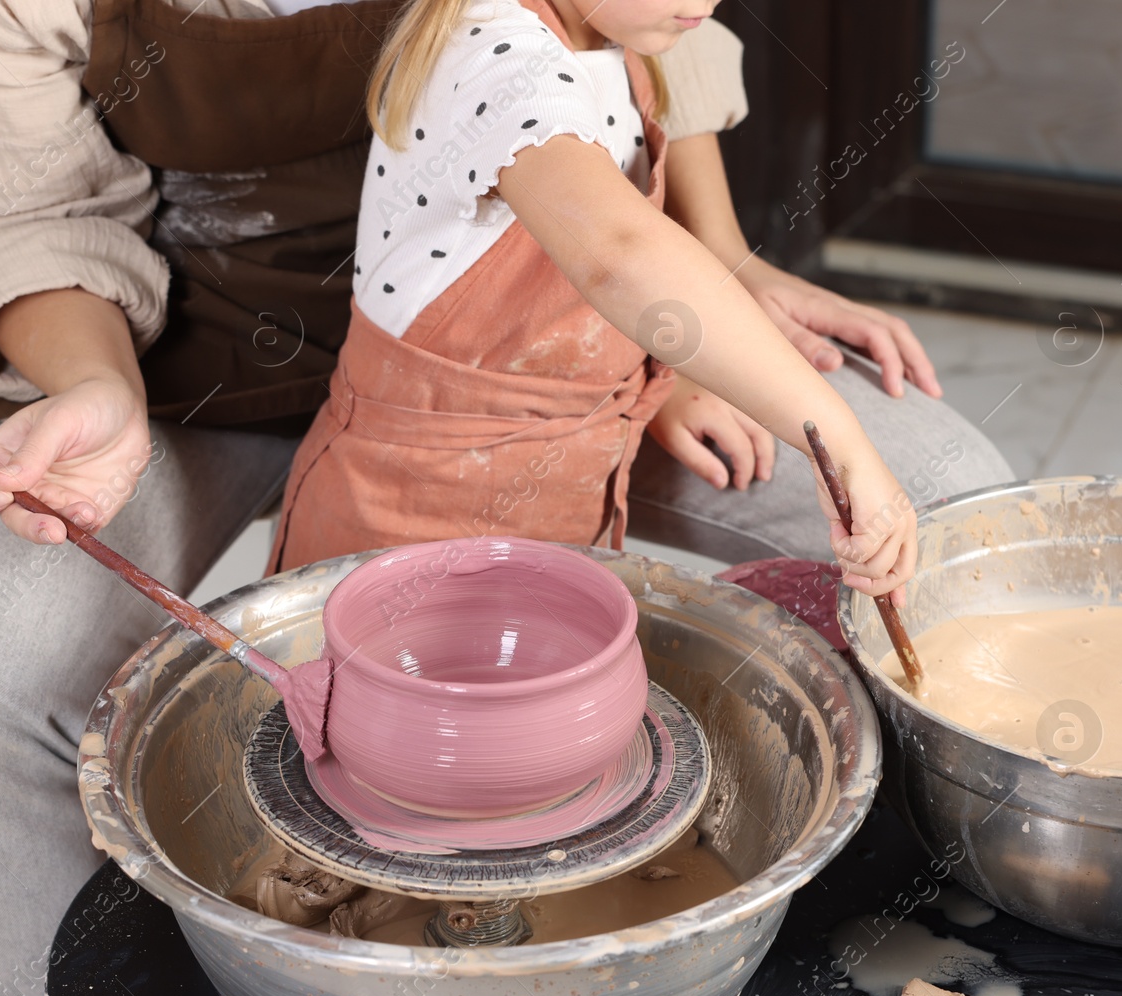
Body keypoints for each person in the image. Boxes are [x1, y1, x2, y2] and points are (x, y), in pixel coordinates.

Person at [0, 0, 1013, 996]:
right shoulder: (501, 62)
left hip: (544, 351)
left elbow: (647, 87)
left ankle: (898, 959)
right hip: (211, 365)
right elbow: (31, 215)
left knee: (953, 495)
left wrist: (705, 292)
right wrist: (96, 389)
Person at [270, 0, 915, 595]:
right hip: (402, 521)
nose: (710, 1)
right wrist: (837, 437)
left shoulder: (617, 34)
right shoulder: (494, 57)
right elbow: (619, 254)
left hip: (564, 502)